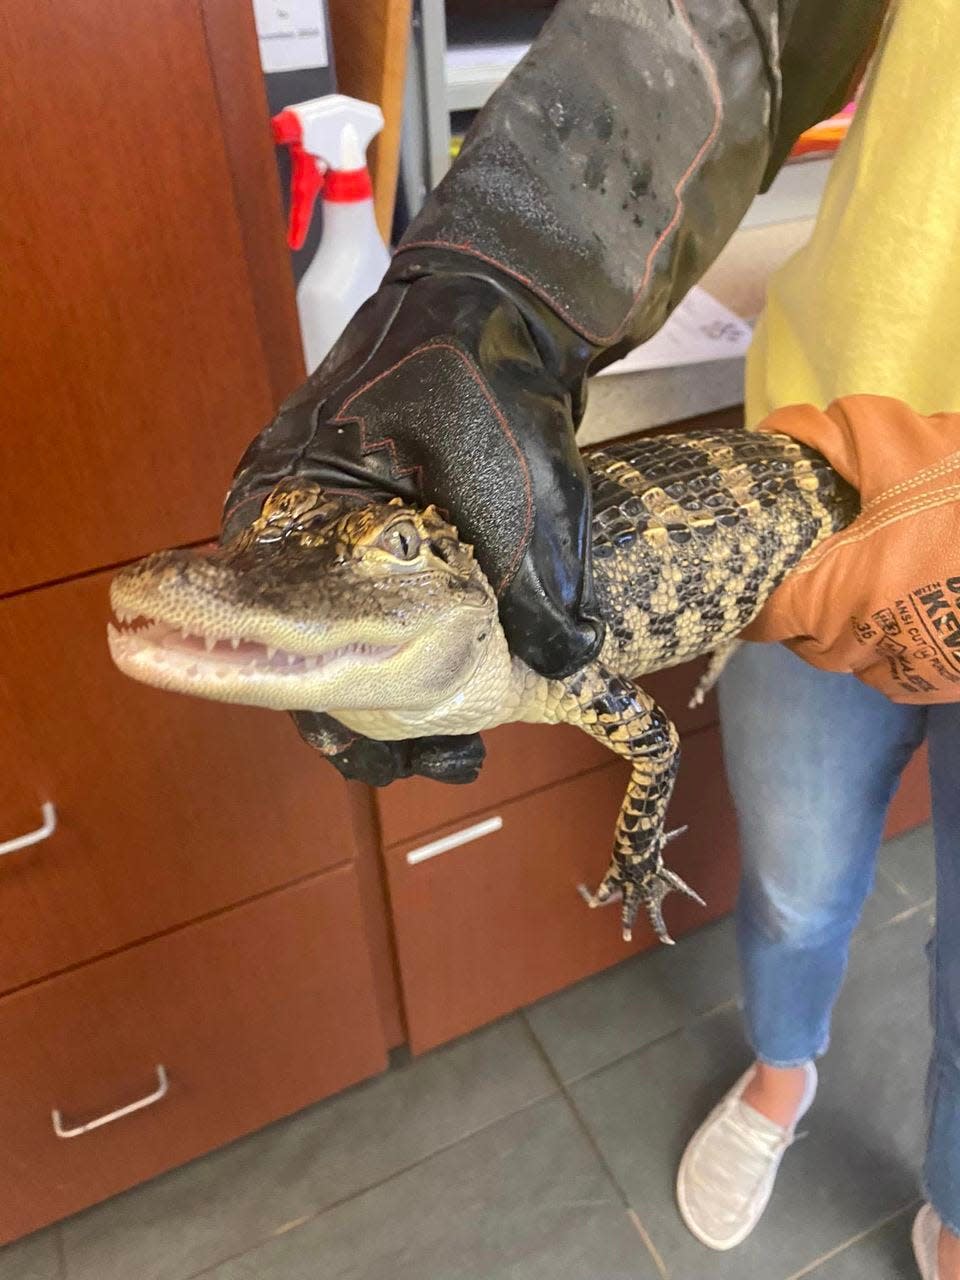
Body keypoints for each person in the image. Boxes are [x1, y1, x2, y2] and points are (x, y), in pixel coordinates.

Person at [224, 1, 959, 1274]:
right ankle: (786, 1073)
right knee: (790, 881)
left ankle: (951, 1194)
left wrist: (636, 848)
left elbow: (644, 753)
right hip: (819, 430)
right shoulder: (517, 636)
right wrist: (508, 256)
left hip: (879, 519)